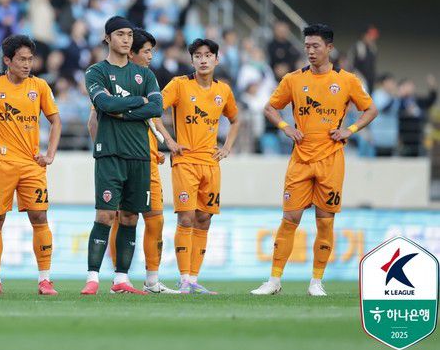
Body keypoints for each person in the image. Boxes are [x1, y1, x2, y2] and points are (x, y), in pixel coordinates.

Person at [250, 24, 378, 297]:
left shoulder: (347, 80)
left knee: (325, 221)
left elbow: (371, 109)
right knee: (290, 218)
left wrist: (349, 130)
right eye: (307, 46)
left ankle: (316, 282)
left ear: (329, 48)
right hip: (301, 158)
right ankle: (274, 280)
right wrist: (285, 127)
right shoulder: (293, 79)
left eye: (315, 46)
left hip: (331, 160)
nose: (310, 50)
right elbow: (270, 108)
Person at [0, 35, 61, 296]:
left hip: (31, 164)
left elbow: (56, 121)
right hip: (0, 163)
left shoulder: (39, 86)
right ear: (7, 60)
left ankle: (45, 280)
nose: (27, 64)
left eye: (30, 59)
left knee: (39, 217)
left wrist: (50, 155)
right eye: (21, 59)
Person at [87, 28, 179, 294]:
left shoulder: (147, 76)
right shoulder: (100, 72)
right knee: (107, 215)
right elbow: (101, 110)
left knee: (136, 217)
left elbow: (155, 109)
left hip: (143, 158)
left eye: (152, 52)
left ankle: (136, 279)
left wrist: (124, 111)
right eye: (146, 51)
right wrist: (135, 106)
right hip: (112, 154)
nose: (150, 56)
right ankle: (95, 277)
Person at [154, 38, 240, 294]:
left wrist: (227, 148)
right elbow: (154, 111)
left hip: (211, 163)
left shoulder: (223, 90)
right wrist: (169, 141)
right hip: (185, 161)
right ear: (191, 60)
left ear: (217, 59)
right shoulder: (179, 85)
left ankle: (192, 279)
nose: (203, 60)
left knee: (204, 219)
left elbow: (236, 120)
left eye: (208, 55)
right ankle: (183, 279)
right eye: (198, 56)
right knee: (186, 217)